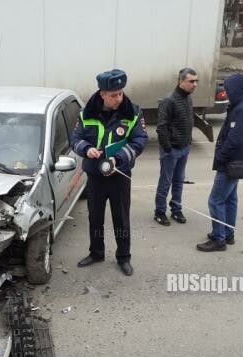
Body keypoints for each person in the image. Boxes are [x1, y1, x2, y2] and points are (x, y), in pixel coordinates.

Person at [71, 69, 148, 276]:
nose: (119, 98)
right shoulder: (85, 114)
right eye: (114, 94)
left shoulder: (133, 113)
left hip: (119, 176)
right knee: (95, 217)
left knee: (121, 218)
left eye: (121, 93)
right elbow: (75, 140)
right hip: (95, 176)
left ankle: (124, 257)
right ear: (102, 94)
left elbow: (139, 141)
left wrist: (119, 158)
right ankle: (96, 253)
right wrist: (86, 149)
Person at [197, 73, 243, 252]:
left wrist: (220, 156)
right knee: (230, 199)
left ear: (236, 90)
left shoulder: (242, 110)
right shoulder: (240, 106)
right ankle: (228, 233)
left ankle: (219, 238)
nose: (227, 93)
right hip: (234, 163)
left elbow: (234, 140)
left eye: (229, 90)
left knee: (215, 201)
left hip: (230, 164)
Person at [153, 67, 198, 226]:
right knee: (165, 182)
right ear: (181, 81)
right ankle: (159, 212)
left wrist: (188, 141)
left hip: (184, 148)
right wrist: (168, 148)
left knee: (179, 181)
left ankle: (176, 210)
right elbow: (161, 127)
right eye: (191, 81)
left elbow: (188, 121)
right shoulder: (169, 100)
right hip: (171, 151)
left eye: (196, 81)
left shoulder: (188, 98)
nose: (195, 84)